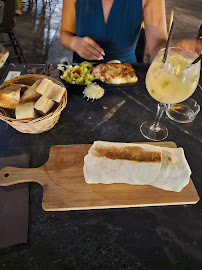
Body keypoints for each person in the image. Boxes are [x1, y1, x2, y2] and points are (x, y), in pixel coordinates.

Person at [60, 0, 201, 63]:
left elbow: (157, 48)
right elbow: (65, 34)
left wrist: (178, 49)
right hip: (81, 73)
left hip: (126, 74)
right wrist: (74, 43)